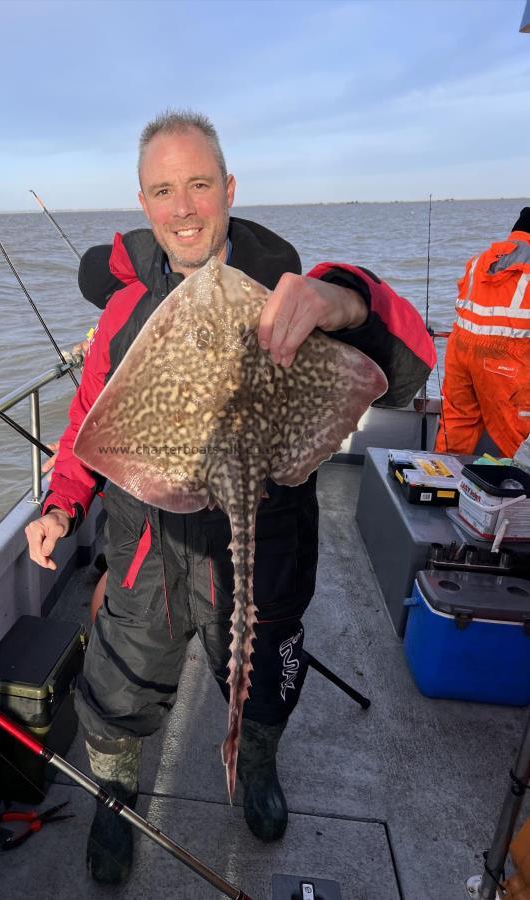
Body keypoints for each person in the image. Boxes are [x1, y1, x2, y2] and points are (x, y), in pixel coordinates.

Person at [26, 110, 435, 885]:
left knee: (263, 664)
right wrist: (60, 505)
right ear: (144, 203)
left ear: (228, 189)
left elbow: (411, 361)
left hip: (267, 524)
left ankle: (253, 764)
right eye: (163, 190)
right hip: (149, 540)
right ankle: (114, 797)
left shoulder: (288, 289)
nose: (182, 206)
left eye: (199, 184)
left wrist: (342, 300)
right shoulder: (123, 313)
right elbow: (89, 424)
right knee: (116, 680)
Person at [435, 208, 530, 458]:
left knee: (456, 426)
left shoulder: (480, 259)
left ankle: (440, 484)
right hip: (507, 358)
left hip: (461, 352)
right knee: (517, 438)